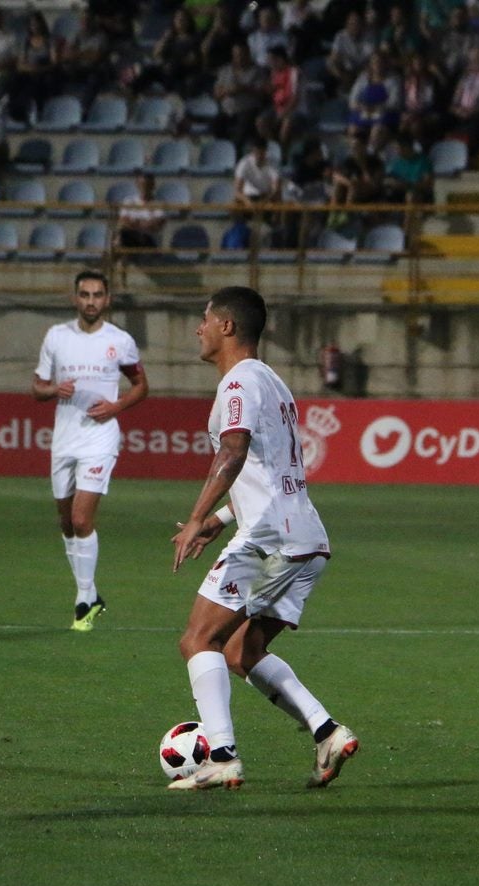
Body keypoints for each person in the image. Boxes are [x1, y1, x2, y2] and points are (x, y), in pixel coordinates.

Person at [168, 286, 359, 790]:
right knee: (240, 653)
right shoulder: (273, 382)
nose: (199, 328)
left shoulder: (236, 385)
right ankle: (327, 732)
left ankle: (222, 755)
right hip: (306, 539)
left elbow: (232, 452)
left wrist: (195, 516)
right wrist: (221, 519)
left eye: (205, 319)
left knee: (198, 639)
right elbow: (270, 471)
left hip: (271, 540)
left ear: (227, 326)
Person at [31, 270, 150, 631]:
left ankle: (83, 601)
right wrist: (54, 391)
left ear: (107, 299)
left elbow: (141, 385)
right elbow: (37, 387)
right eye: (84, 294)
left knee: (82, 519)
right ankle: (91, 594)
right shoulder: (56, 337)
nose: (91, 301)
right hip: (64, 438)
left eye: (97, 295)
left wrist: (116, 408)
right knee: (67, 523)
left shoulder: (120, 341)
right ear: (75, 298)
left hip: (100, 438)